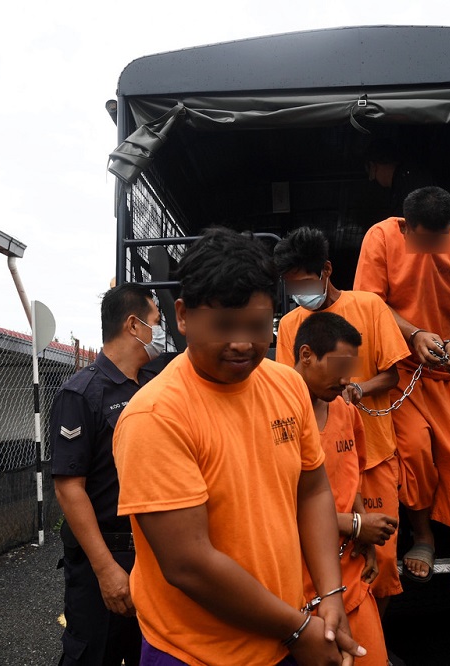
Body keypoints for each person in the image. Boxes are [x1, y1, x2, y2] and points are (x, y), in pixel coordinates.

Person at [113, 227, 364, 666]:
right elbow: (188, 563)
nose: (243, 343)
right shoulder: (155, 416)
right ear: (184, 316)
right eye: (225, 326)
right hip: (196, 653)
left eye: (257, 325)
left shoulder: (287, 385)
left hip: (283, 635)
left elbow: (313, 490)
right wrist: (298, 629)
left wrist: (330, 594)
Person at [353, 186, 450, 632]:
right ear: (405, 226)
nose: (433, 247)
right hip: (398, 369)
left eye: (439, 239)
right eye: (424, 240)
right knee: (414, 450)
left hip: (446, 371)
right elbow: (370, 302)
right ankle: (422, 537)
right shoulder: (381, 237)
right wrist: (414, 333)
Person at [274, 227, 406, 613]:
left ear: (326, 270)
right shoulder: (289, 325)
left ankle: (373, 631)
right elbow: (289, 385)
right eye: (291, 284)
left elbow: (393, 374)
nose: (299, 290)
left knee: (378, 558)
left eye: (304, 280)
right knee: (322, 551)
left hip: (374, 452)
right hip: (318, 457)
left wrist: (357, 390)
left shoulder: (368, 306)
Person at [51, 283, 174, 666]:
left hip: (150, 552)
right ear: (134, 326)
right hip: (106, 553)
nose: (161, 331)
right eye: (156, 321)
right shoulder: (83, 393)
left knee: (145, 652)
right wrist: (106, 570)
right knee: (94, 653)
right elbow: (70, 488)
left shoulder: (154, 388)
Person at [293, 311, 389, 665]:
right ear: (306, 356)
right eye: (339, 366)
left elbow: (355, 477)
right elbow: (279, 507)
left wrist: (366, 541)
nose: (347, 379)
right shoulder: (275, 414)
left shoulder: (346, 410)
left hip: (350, 573)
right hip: (298, 583)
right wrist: (355, 525)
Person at [364, 139, 434, 218]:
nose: (371, 179)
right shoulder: (404, 180)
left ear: (373, 166)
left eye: (370, 172)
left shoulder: (408, 183)